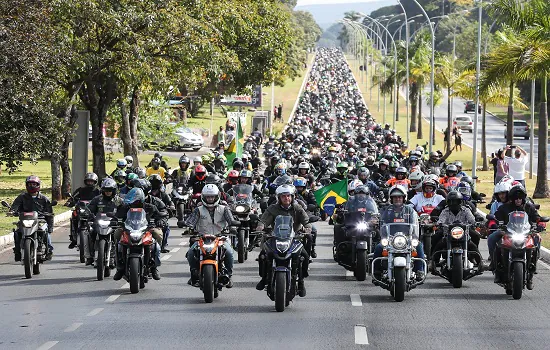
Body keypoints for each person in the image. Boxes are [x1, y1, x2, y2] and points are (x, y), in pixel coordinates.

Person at [255, 184, 311, 296]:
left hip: (293, 238)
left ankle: (301, 281)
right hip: (275, 237)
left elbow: (306, 220)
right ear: (279, 198)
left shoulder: (297, 208)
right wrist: (260, 226)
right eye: (284, 196)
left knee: (304, 256)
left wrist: (308, 228)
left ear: (292, 197)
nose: (286, 198)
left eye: (289, 196)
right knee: (263, 256)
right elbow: (264, 220)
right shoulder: (273, 208)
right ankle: (264, 278)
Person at [185, 184, 236, 288]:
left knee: (230, 252)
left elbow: (231, 220)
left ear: (217, 196)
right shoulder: (198, 210)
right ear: (204, 197)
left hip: (220, 237)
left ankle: (229, 276)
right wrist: (187, 225)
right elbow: (191, 221)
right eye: (208, 197)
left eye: (212, 196)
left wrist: (234, 225)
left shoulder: (224, 209)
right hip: (202, 238)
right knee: (190, 253)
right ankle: (194, 274)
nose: (210, 199)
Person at [372, 185, 425, 280]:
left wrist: (414, 238)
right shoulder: (386, 210)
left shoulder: (410, 210)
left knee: (419, 246)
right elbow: (381, 222)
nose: (397, 199)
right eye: (395, 197)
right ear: (391, 199)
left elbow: (414, 224)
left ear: (404, 198)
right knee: (379, 247)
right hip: (390, 238)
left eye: (399, 197)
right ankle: (377, 272)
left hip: (406, 238)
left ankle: (419, 270)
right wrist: (375, 221)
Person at [488, 185, 542, 275]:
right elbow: (493, 218)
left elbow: (538, 218)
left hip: (526, 233)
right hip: (506, 232)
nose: (518, 200)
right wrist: (493, 224)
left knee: (537, 238)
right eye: (516, 198)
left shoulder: (529, 207)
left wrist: (540, 225)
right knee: (491, 238)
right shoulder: (504, 208)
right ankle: (495, 263)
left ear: (523, 198)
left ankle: (533, 264)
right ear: (512, 198)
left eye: (520, 198)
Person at [113, 187, 165, 281]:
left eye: (135, 201)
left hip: (147, 229)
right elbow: (117, 216)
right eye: (132, 201)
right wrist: (115, 221)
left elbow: (160, 216)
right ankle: (120, 267)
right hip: (128, 229)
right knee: (117, 235)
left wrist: (161, 221)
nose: (133, 203)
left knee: (157, 235)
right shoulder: (125, 207)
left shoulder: (150, 207)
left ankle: (154, 267)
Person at [10, 176, 55, 262]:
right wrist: (12, 211)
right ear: (26, 185)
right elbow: (15, 206)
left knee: (46, 233)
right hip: (24, 219)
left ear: (38, 185)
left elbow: (50, 213)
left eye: (34, 184)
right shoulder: (22, 197)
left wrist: (50, 227)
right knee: (17, 233)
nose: (32, 186)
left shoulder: (43, 198)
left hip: (40, 220)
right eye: (30, 184)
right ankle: (17, 251)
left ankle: (49, 250)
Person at [433, 191, 480, 270]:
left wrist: (475, 223)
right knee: (437, 240)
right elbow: (440, 220)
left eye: (456, 201)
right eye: (451, 201)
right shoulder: (445, 211)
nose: (454, 203)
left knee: (475, 239)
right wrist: (439, 224)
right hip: (448, 234)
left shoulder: (466, 210)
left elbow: (472, 220)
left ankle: (478, 261)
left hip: (464, 234)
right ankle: (433, 261)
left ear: (460, 201)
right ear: (448, 202)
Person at [87, 178, 123, 266]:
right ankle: (90, 256)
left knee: (121, 236)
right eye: (106, 190)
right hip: (99, 223)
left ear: (114, 190)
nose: (108, 192)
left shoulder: (118, 200)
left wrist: (121, 219)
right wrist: (89, 215)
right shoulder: (97, 199)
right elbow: (89, 209)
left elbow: (124, 210)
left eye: (110, 190)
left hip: (114, 224)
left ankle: (119, 257)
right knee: (90, 233)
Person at [65, 172, 100, 249]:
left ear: (95, 181)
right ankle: (73, 237)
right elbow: (73, 198)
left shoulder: (98, 191)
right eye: (88, 181)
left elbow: (102, 200)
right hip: (81, 210)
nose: (90, 183)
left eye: (91, 181)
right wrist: (69, 202)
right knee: (73, 216)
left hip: (93, 211)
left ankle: (98, 238)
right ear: (85, 181)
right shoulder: (80, 190)